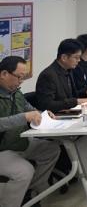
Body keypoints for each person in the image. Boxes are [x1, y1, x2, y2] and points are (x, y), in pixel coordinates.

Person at [0, 56, 61, 207]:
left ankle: (31, 192)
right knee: (24, 171)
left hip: (20, 142)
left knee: (51, 150)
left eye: (23, 78)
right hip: (2, 149)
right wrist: (24, 117)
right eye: (19, 77)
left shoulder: (15, 92)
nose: (21, 81)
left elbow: (29, 108)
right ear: (4, 74)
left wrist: (43, 114)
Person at [35, 39, 87, 112]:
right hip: (56, 116)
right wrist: (76, 101)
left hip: (70, 112)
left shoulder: (68, 70)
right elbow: (47, 105)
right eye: (76, 57)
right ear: (64, 58)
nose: (79, 60)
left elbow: (71, 95)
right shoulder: (48, 75)